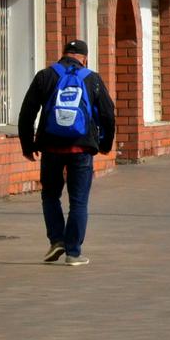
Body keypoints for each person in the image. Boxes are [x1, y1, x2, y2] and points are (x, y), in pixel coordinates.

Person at [18, 38, 116, 267]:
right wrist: (105, 144)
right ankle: (73, 252)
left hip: (51, 148)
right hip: (81, 149)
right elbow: (108, 115)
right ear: (85, 58)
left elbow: (27, 113)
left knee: (50, 196)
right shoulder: (92, 79)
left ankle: (56, 241)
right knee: (78, 201)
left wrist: (28, 146)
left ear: (63, 54)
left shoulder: (45, 76)